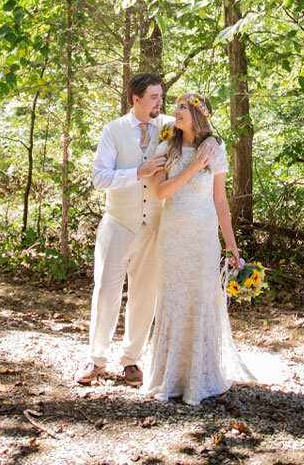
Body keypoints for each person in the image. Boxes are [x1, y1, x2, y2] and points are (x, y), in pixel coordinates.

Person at [142, 92, 256, 404]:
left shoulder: (215, 151)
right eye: (175, 107)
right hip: (174, 237)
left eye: (182, 108)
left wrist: (233, 248)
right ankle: (170, 379)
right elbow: (161, 192)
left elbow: (221, 202)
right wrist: (193, 168)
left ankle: (200, 376)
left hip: (204, 238)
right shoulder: (166, 149)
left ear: (197, 115)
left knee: (201, 299)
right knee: (174, 299)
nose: (175, 112)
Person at [76, 73, 173, 386]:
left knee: (145, 295)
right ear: (136, 99)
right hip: (117, 223)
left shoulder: (169, 127)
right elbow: (100, 178)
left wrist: (212, 142)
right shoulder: (114, 130)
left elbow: (204, 129)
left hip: (154, 226)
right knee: (106, 291)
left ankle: (131, 360)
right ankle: (96, 359)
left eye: (161, 96)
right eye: (154, 97)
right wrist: (137, 173)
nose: (160, 102)